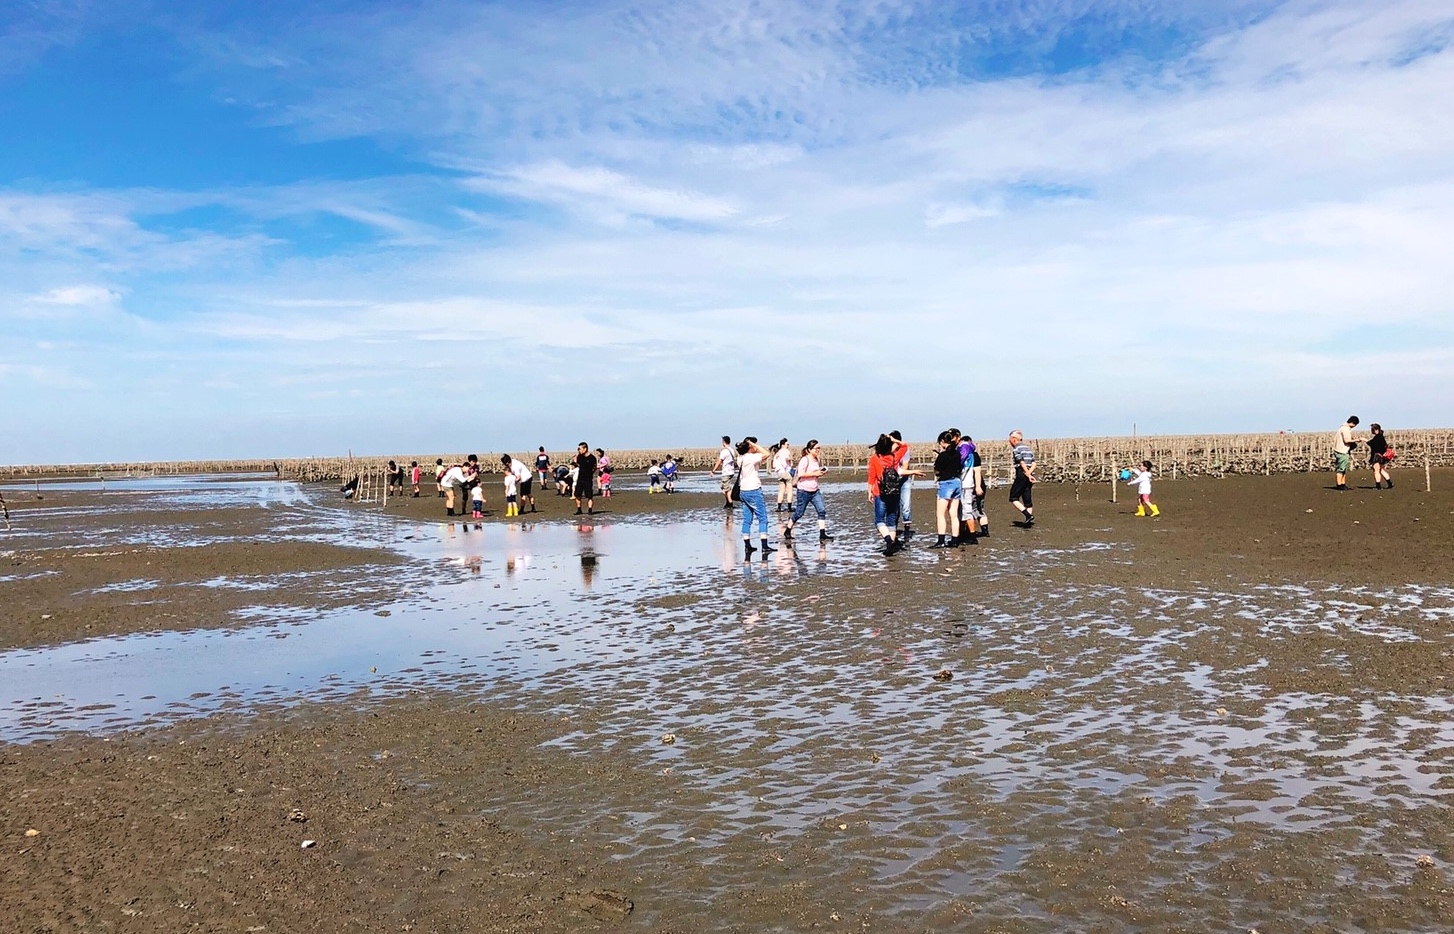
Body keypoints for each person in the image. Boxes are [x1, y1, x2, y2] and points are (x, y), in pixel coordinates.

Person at [784, 439, 832, 544]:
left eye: (819, 448)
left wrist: (821, 472)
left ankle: (822, 534)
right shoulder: (805, 460)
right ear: (809, 449)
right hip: (803, 491)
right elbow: (801, 474)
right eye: (816, 448)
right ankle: (787, 530)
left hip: (815, 490)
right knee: (799, 513)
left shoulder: (816, 460)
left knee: (821, 510)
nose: (818, 450)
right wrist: (815, 473)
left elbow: (814, 473)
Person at [868, 433, 908, 555]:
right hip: (894, 492)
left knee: (879, 520)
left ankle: (888, 540)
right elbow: (905, 446)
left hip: (880, 493)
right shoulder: (894, 457)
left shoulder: (875, 459)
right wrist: (894, 439)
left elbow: (871, 477)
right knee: (891, 518)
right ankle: (890, 546)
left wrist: (869, 491)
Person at [735, 438, 776, 557]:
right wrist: (753, 444)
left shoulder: (740, 458)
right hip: (753, 489)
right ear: (750, 447)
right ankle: (764, 545)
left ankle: (747, 546)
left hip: (743, 490)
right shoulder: (750, 457)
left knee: (747, 519)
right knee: (763, 518)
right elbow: (767, 454)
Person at [931, 431, 963, 548]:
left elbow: (937, 470)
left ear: (943, 442)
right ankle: (955, 540)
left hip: (946, 483)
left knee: (940, 514)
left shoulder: (943, 456)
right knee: (953, 514)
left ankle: (941, 540)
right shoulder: (958, 454)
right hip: (956, 482)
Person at [889, 430, 916, 540]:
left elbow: (904, 468)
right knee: (893, 506)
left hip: (904, 481)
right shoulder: (889, 451)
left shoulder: (904, 451)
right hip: (892, 481)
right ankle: (893, 528)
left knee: (905, 505)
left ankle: (906, 529)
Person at [1008, 430, 1036, 526]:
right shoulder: (1028, 448)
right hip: (1029, 473)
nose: (1009, 442)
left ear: (1014, 439)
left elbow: (1021, 462)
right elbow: (1034, 463)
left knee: (1013, 497)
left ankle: (1028, 515)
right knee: (1027, 499)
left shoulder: (1016, 449)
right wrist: (1030, 474)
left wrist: (1027, 474)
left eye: (1010, 440)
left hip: (1022, 473)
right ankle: (1028, 522)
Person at [1332, 416, 1360, 491]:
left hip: (1341, 450)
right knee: (1341, 469)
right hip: (1342, 451)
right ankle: (1339, 484)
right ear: (1353, 423)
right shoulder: (1345, 429)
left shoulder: (1342, 428)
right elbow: (1347, 440)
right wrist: (1357, 440)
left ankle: (1342, 483)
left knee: (1343, 468)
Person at [712, 435, 737, 510]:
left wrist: (713, 470)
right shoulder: (732, 450)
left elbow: (719, 461)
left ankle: (730, 503)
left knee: (727, 489)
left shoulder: (724, 451)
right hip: (731, 471)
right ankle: (728, 502)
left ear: (723, 442)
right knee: (723, 487)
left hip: (726, 472)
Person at [572, 442, 597, 515]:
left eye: (580, 449)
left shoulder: (592, 458)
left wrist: (591, 473)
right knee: (577, 494)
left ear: (585, 448)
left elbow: (595, 467)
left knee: (589, 495)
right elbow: (578, 465)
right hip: (580, 479)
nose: (579, 450)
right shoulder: (579, 457)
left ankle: (590, 510)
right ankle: (579, 509)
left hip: (588, 479)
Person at [1368, 423, 1394, 489]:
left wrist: (1365, 440)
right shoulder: (1381, 437)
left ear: (1376, 430)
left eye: (1372, 429)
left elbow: (1372, 444)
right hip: (1382, 456)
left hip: (1377, 456)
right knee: (1381, 470)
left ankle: (1378, 486)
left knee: (1376, 470)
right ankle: (1390, 483)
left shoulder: (1378, 437)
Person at [771, 439, 794, 512]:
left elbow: (774, 465)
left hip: (779, 473)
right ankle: (789, 508)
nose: (788, 446)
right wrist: (791, 460)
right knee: (789, 490)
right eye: (787, 444)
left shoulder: (777, 453)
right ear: (783, 445)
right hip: (785, 472)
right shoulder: (785, 451)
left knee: (781, 490)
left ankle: (779, 507)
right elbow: (787, 459)